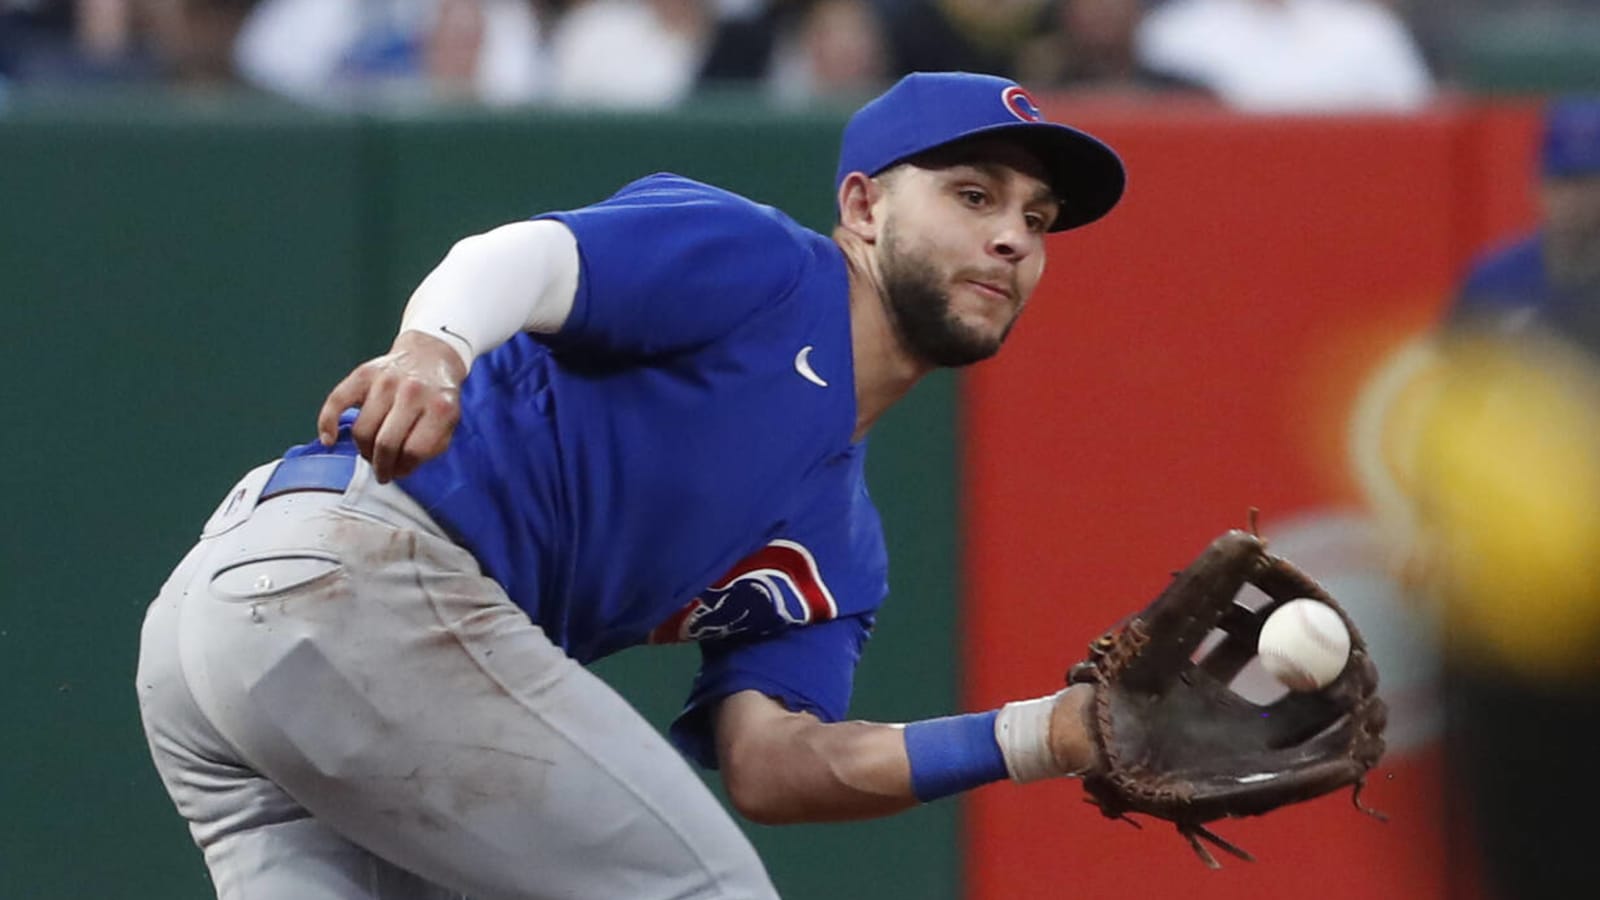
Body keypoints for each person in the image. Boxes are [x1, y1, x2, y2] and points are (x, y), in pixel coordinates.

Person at [135, 71, 1126, 899]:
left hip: (245, 634)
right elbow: (518, 257)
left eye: (1035, 220)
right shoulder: (768, 271)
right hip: (353, 573)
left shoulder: (842, 546)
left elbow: (776, 766)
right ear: (864, 207)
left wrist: (1049, 734)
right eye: (972, 194)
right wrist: (432, 349)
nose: (1012, 240)